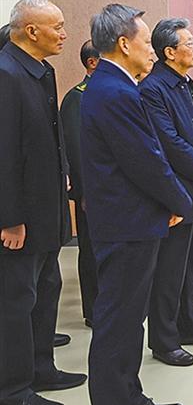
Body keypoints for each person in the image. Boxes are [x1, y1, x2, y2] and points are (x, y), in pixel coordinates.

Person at [82, 4, 193, 405]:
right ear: (124, 44)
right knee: (117, 326)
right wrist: (179, 200)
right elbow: (146, 161)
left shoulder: (115, 86)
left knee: (129, 323)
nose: (151, 49)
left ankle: (130, 400)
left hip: (131, 222)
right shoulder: (115, 92)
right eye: (147, 42)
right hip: (126, 226)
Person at [0, 0, 86, 405]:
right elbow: (4, 153)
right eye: (58, 26)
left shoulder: (40, 70)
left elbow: (51, 138)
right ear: (31, 31)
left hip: (47, 209)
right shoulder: (6, 74)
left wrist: (64, 174)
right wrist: (10, 218)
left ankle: (41, 368)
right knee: (16, 302)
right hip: (22, 218)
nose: (64, 34)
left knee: (47, 288)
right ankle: (12, 392)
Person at [139, 18, 193, 367]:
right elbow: (170, 143)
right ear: (169, 52)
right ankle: (164, 341)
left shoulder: (185, 83)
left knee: (192, 267)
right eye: (188, 43)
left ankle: (191, 326)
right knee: (169, 271)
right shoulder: (153, 89)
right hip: (177, 192)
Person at [60, 40, 100, 327]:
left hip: (115, 193)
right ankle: (94, 311)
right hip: (92, 192)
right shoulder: (78, 97)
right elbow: (76, 150)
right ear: (92, 63)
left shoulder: (114, 92)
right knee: (92, 252)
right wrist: (84, 191)